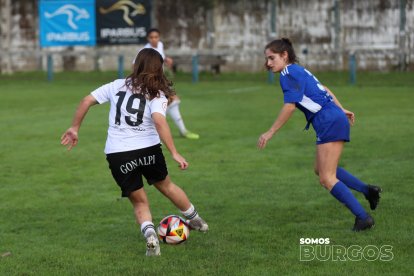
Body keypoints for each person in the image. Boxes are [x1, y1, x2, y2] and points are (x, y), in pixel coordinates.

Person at [61, 48, 208, 256]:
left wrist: (74, 127)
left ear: (135, 65)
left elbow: (86, 100)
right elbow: (159, 121)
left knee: (139, 201)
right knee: (166, 186)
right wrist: (174, 152)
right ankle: (197, 221)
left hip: (118, 154)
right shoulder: (157, 93)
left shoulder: (116, 85)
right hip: (148, 149)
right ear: (160, 69)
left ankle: (150, 236)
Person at [257, 38, 382, 231]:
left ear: (284, 55)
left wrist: (270, 132)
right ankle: (368, 190)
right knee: (320, 169)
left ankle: (363, 218)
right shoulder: (299, 70)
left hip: (327, 121)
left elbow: (290, 106)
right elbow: (325, 89)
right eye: (267, 59)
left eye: (272, 58)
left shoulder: (287, 73)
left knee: (326, 178)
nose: (268, 63)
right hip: (331, 118)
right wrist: (340, 109)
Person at [142, 28, 200, 140]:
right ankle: (178, 131)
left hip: (159, 80)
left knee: (170, 102)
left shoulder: (160, 45)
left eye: (156, 37)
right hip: (151, 82)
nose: (154, 39)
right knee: (171, 101)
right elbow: (136, 64)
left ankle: (181, 131)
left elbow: (160, 57)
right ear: (148, 39)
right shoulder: (145, 51)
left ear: (159, 38)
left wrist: (166, 59)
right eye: (151, 37)